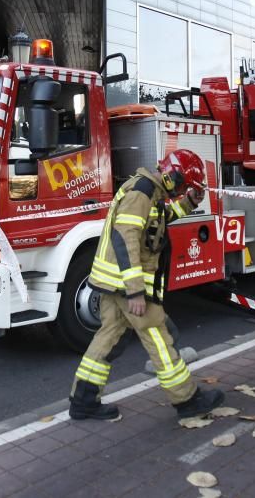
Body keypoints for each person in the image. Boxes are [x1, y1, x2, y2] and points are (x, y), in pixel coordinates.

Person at [68, 149, 225, 421]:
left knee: (108, 338)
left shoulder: (150, 193)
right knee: (159, 339)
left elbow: (157, 225)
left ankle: (83, 400)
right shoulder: (141, 193)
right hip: (124, 283)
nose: (180, 190)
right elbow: (124, 238)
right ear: (172, 176)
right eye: (182, 185)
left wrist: (188, 202)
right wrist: (135, 291)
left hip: (114, 282)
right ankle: (186, 398)